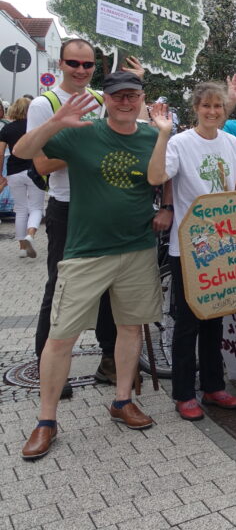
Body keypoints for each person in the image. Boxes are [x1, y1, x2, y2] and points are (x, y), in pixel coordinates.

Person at [15, 72, 164, 460]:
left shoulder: (152, 137)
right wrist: (54, 121)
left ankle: (121, 400)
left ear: (142, 99)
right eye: (118, 96)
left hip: (137, 248)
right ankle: (46, 421)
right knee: (61, 336)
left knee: (129, 328)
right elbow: (22, 151)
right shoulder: (82, 134)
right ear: (107, 100)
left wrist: (164, 207)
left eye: (132, 95)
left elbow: (166, 181)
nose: (125, 102)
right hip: (86, 252)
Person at [147, 83, 236, 421]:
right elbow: (156, 175)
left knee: (216, 319)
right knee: (188, 322)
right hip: (189, 248)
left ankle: (213, 387)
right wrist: (163, 134)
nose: (212, 112)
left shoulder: (231, 142)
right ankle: (184, 393)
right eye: (206, 106)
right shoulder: (181, 143)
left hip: (224, 245)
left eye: (218, 106)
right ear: (196, 108)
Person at [29, 39, 119, 395]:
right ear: (60, 64)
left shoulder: (101, 101)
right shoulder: (44, 104)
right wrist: (88, 145)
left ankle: (110, 362)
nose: (80, 70)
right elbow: (41, 163)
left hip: (105, 206)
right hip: (67, 207)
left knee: (111, 289)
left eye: (88, 65)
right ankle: (48, 370)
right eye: (73, 63)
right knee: (61, 289)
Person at [0, 96, 45, 259]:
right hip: (35, 171)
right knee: (36, 208)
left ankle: (21, 248)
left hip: (13, 172)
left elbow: (0, 153)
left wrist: (0, 175)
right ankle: (30, 235)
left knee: (20, 209)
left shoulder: (6, 129)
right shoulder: (37, 127)